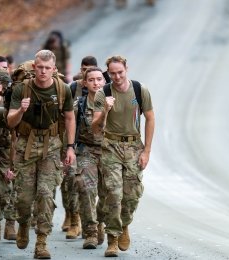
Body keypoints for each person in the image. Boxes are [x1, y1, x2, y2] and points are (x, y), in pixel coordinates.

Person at [7, 50, 76, 259]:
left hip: (52, 146)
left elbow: (70, 118)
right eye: (40, 67)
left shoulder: (63, 90)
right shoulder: (21, 89)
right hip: (26, 146)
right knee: (23, 198)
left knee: (46, 195)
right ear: (34, 67)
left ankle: (41, 242)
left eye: (48, 68)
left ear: (54, 69)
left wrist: (70, 147)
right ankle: (23, 224)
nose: (43, 71)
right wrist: (21, 111)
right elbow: (10, 122)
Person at [92, 55, 155, 257]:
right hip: (110, 146)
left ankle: (124, 224)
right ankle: (112, 238)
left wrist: (146, 151)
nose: (117, 76)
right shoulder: (103, 93)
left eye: (120, 72)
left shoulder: (139, 89)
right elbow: (95, 128)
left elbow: (151, 118)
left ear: (126, 69)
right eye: (112, 73)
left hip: (134, 146)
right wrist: (105, 110)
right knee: (114, 193)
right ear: (108, 73)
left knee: (132, 195)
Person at [60, 55, 98, 235]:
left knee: (84, 184)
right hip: (73, 143)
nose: (86, 73)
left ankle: (85, 221)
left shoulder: (102, 89)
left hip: (92, 145)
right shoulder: (73, 88)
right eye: (84, 69)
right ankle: (72, 216)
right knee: (69, 180)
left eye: (90, 69)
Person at [70, 67, 106, 249]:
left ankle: (100, 222)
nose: (96, 83)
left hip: (109, 152)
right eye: (91, 80)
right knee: (85, 189)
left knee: (108, 193)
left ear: (104, 81)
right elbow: (68, 127)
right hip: (87, 151)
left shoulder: (111, 103)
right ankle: (90, 232)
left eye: (99, 79)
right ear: (85, 83)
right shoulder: (79, 105)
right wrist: (67, 150)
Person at [0, 61, 17, 243]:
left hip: (3, 153)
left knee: (2, 193)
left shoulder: (7, 109)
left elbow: (15, 139)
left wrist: (12, 165)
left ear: (1, 88)